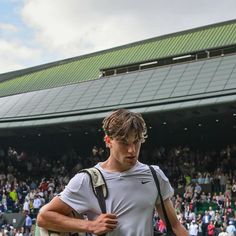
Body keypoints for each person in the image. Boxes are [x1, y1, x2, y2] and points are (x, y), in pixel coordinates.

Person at [37, 109, 189, 236]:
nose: (132, 150)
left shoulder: (155, 175)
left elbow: (175, 226)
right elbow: (44, 217)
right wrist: (89, 226)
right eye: (124, 143)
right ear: (108, 141)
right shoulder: (87, 180)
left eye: (136, 141)